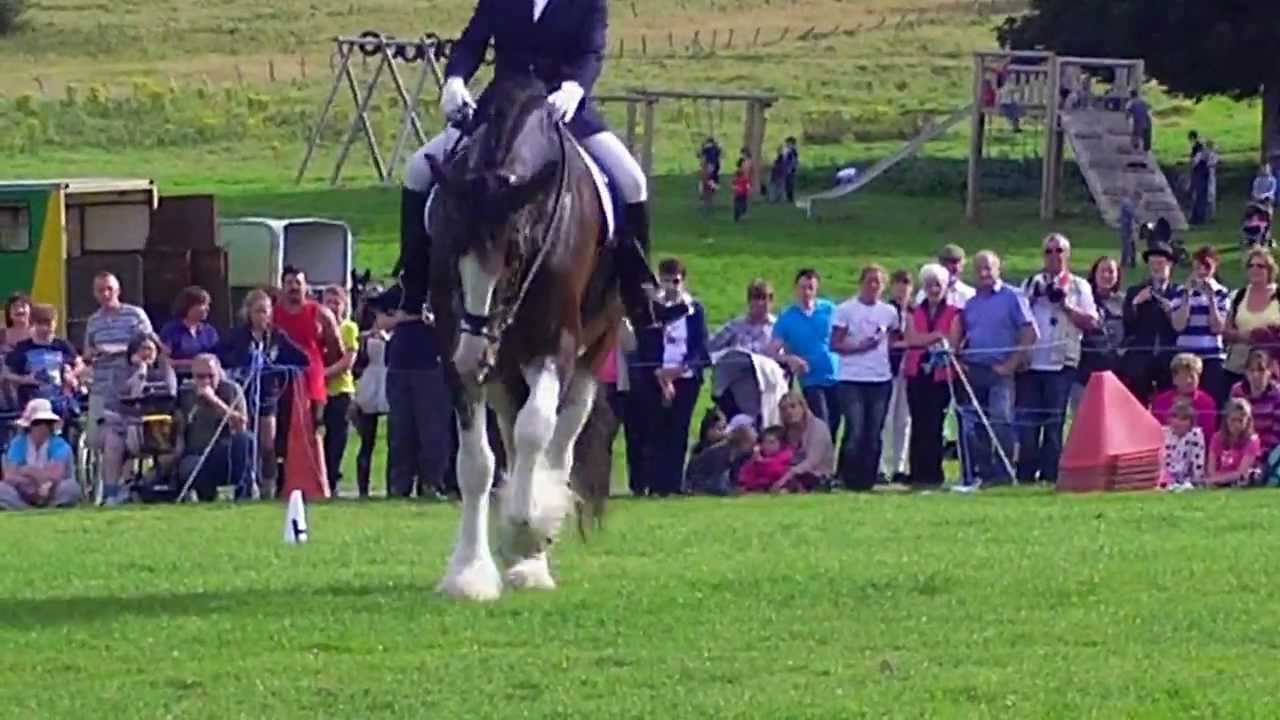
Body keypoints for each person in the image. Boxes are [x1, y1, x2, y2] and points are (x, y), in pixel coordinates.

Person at [398, 0, 662, 330]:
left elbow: (590, 54)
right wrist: (455, 79)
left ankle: (638, 289)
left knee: (633, 181)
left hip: (561, 109)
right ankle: (411, 285)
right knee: (416, 171)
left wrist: (574, 88)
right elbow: (473, 41)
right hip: (502, 111)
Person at [1016, 233, 1096, 485]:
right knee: (1027, 425)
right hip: (1031, 364)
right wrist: (1033, 297)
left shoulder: (1079, 286)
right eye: (1049, 252)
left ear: (1067, 254)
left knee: (1054, 423)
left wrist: (1065, 304)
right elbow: (1017, 319)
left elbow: (1091, 323)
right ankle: (1025, 474)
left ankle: (1050, 475)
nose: (1054, 256)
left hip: (1062, 363)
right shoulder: (1029, 283)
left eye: (1059, 251)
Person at [953, 250, 1037, 489]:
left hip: (1001, 372)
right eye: (979, 268)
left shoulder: (1013, 297)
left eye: (988, 267)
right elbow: (962, 335)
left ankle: (1004, 474)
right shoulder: (971, 304)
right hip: (975, 370)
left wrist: (1012, 363)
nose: (983, 273)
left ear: (998, 268)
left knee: (1001, 422)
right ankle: (983, 474)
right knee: (974, 425)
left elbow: (1031, 332)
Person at [215, 289, 310, 499]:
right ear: (248, 313)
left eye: (266, 311)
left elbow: (302, 359)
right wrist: (236, 366)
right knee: (247, 441)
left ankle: (268, 485)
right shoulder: (236, 336)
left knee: (268, 444)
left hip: (267, 396)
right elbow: (218, 356)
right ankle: (247, 483)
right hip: (243, 395)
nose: (262, 316)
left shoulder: (276, 337)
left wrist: (279, 367)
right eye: (258, 311)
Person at [629, 257, 709, 497]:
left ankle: (674, 483)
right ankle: (655, 484)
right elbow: (646, 344)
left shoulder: (694, 309)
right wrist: (661, 377)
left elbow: (700, 346)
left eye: (675, 281)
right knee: (656, 429)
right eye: (665, 281)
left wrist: (680, 370)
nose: (670, 286)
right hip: (656, 377)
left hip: (685, 377)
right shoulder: (652, 309)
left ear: (683, 281)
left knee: (679, 428)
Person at [368, 283, 453, 500]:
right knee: (400, 431)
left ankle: (431, 485)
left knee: (432, 432)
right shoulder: (403, 290)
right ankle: (398, 486)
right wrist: (407, 318)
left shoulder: (441, 289)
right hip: (399, 365)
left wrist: (433, 321)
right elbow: (380, 321)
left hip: (431, 366)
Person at [831, 264, 899, 491]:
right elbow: (835, 344)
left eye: (877, 282)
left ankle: (868, 479)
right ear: (861, 283)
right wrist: (859, 347)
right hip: (851, 377)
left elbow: (895, 341)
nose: (873, 286)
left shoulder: (889, 312)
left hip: (880, 378)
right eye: (869, 281)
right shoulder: (845, 310)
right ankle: (847, 476)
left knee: (874, 431)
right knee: (856, 429)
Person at [83, 271, 153, 482]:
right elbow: (87, 352)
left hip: (131, 387)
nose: (105, 294)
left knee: (130, 439)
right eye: (100, 290)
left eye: (109, 289)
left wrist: (120, 351)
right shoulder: (93, 321)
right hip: (102, 386)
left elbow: (149, 348)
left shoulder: (135, 315)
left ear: (118, 290)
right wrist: (92, 354)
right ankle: (111, 486)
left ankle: (125, 482)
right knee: (98, 439)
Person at [903, 263, 961, 488]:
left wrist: (928, 339)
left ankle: (934, 473)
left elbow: (953, 342)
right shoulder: (913, 311)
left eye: (937, 284)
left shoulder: (954, 313)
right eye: (929, 284)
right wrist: (936, 336)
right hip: (916, 372)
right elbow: (911, 339)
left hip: (941, 374)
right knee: (918, 422)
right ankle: (916, 471)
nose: (933, 289)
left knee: (935, 424)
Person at [172, 354, 252, 501]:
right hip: (195, 455)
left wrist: (215, 401)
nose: (206, 381)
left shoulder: (231, 389)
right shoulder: (184, 393)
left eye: (211, 376)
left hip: (222, 452)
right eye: (200, 377)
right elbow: (179, 428)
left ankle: (243, 493)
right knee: (188, 466)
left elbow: (241, 425)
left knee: (246, 440)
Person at [770, 269, 840, 440]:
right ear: (796, 289)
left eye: (810, 288)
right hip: (811, 378)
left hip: (837, 375)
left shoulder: (829, 310)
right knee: (821, 422)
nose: (806, 292)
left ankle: (830, 462)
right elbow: (772, 351)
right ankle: (821, 462)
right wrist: (790, 358)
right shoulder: (787, 317)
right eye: (803, 288)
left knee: (835, 423)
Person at [1168, 246, 1231, 406]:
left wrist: (1211, 300)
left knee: (1213, 398)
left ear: (1215, 267)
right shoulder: (1181, 291)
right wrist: (1187, 296)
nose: (1202, 271)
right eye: (1197, 267)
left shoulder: (1222, 293)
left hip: (1211, 356)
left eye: (1207, 267)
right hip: (1186, 355)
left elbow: (1218, 328)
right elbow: (1178, 325)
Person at [1120, 242, 1180, 405]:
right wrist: (1136, 303)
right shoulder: (1135, 291)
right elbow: (1127, 325)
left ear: (1170, 264)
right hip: (1141, 358)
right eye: (1152, 263)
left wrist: (1172, 313)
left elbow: (1181, 328)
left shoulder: (1178, 293)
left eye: (1160, 263)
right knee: (1137, 404)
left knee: (1166, 403)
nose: (1156, 268)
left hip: (1169, 358)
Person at [3, 303, 82, 422]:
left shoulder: (62, 345)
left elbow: (80, 364)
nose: (46, 328)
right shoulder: (23, 348)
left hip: (60, 400)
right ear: (33, 324)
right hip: (32, 402)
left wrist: (71, 375)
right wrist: (24, 379)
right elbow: (6, 373)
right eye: (41, 324)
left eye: (49, 323)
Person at [0, 398, 80, 510]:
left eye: (47, 423)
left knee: (69, 488)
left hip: (52, 491)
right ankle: (25, 509)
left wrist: (28, 471)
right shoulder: (18, 444)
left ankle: (52, 507)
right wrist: (29, 484)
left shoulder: (59, 444)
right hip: (23, 492)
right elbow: (10, 475)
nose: (42, 427)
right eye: (37, 423)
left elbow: (57, 474)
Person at [350, 308, 393, 498]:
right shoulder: (366, 336)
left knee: (394, 440)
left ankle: (393, 485)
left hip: (390, 381)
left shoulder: (395, 335)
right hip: (370, 383)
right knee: (367, 441)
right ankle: (362, 488)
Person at [1073, 257, 1125, 411]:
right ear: (1094, 274)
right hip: (1084, 375)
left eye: (1111, 271)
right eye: (1102, 271)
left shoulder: (1123, 302)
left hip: (1115, 375)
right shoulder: (1082, 299)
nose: (1106, 275)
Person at [321, 286, 359, 496]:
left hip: (341, 390)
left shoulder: (349, 328)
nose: (333, 307)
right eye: (328, 302)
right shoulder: (318, 328)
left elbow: (348, 361)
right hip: (319, 393)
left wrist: (324, 373)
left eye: (337, 302)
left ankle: (333, 478)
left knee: (337, 438)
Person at [1223, 249, 1280, 387]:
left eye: (1260, 266)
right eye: (1251, 265)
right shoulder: (1238, 295)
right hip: (1237, 368)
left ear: (1270, 270)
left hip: (1273, 369)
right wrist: (1243, 336)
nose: (1255, 269)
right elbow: (1226, 331)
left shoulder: (1278, 295)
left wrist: (1266, 336)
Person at [880, 270, 913, 484]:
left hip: (909, 371)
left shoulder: (915, 311)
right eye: (899, 285)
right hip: (887, 370)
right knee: (887, 418)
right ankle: (881, 466)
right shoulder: (884, 311)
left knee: (904, 420)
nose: (902, 290)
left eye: (907, 285)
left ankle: (900, 466)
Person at [1150, 353, 1217, 444]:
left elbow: (1207, 435)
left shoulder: (1207, 402)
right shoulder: (1161, 401)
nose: (1189, 381)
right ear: (1174, 378)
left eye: (1192, 376)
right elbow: (1155, 431)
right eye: (1184, 377)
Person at [776, 391, 836, 491]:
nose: (789, 412)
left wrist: (789, 474)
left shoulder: (818, 427)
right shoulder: (785, 431)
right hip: (791, 472)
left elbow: (812, 461)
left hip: (816, 474)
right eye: (784, 409)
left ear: (803, 407)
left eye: (793, 406)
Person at [158, 286, 219, 383]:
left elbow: (216, 359)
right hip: (180, 378)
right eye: (203, 304)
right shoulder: (171, 330)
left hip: (208, 379)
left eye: (208, 305)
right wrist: (192, 363)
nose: (207, 308)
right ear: (188, 306)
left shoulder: (209, 331)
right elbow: (164, 360)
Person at [684, 413, 754, 496]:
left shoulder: (735, 455)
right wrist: (731, 491)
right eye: (749, 444)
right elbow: (716, 481)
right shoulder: (720, 453)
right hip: (697, 484)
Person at [1229, 349, 1280, 460]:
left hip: (1269, 453)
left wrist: (1261, 455)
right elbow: (1232, 425)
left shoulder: (1277, 394)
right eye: (1251, 370)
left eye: (1261, 370)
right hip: (1241, 450)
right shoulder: (1237, 391)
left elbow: (1276, 433)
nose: (1255, 375)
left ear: (1270, 370)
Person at [1205, 398, 1261, 488]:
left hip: (1239, 481)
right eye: (1232, 420)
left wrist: (1217, 480)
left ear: (1248, 421)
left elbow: (1241, 472)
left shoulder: (1252, 440)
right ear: (1226, 420)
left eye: (1240, 420)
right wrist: (1214, 479)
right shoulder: (1217, 438)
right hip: (1218, 479)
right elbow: (1211, 469)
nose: (1236, 425)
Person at [1159, 398, 1205, 491]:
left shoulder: (1196, 435)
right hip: (1164, 480)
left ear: (1191, 421)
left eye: (1184, 419)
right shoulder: (1163, 433)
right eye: (1175, 417)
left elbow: (1198, 464)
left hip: (1188, 481)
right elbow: (1161, 462)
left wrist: (1195, 482)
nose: (1178, 422)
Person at [735, 426, 794, 494]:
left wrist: (761, 462)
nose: (766, 446)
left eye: (771, 442)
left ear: (781, 443)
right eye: (764, 442)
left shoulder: (786, 455)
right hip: (759, 489)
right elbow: (745, 475)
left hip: (779, 487)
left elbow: (775, 470)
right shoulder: (757, 457)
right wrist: (753, 461)